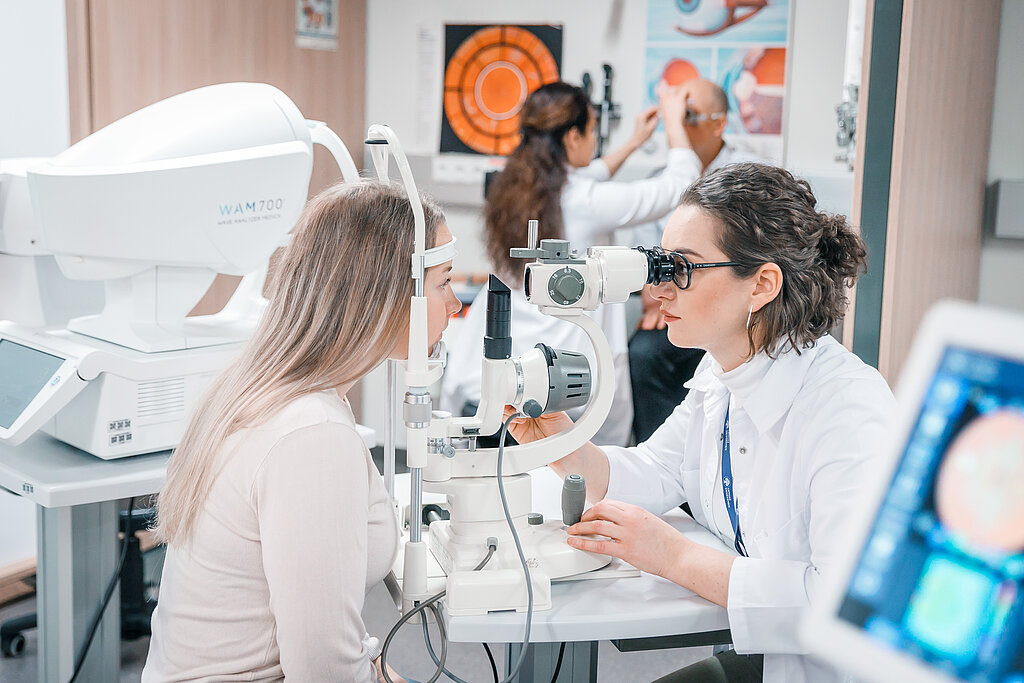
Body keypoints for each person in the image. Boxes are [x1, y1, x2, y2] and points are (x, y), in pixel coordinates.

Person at [506, 163, 895, 683]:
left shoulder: (847, 411)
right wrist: (563, 445)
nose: (659, 290)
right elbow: (657, 470)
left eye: (683, 269)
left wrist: (674, 557)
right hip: (762, 656)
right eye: (661, 266)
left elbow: (843, 610)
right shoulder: (723, 371)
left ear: (761, 285)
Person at [142, 182, 461, 683]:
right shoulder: (312, 436)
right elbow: (323, 671)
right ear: (385, 295)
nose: (457, 304)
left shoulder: (264, 389)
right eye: (444, 283)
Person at [442, 81, 696, 446]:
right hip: (562, 367)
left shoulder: (516, 186)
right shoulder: (584, 201)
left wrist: (633, 143)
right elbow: (680, 186)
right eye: (591, 131)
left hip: (505, 353)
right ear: (573, 137)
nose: (593, 142)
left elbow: (588, 175)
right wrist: (674, 122)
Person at [631, 78, 766, 443]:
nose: (677, 124)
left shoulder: (751, 177)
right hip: (679, 308)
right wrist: (656, 293)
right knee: (643, 354)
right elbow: (647, 266)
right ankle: (662, 453)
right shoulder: (660, 181)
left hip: (740, 313)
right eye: (674, 116)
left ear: (719, 124)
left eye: (687, 115)